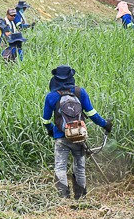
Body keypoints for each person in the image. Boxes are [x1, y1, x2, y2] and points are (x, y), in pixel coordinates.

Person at [42, 65, 112, 199]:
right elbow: (92, 114)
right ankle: (81, 197)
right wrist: (105, 125)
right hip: (79, 136)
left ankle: (64, 197)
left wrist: (51, 131)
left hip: (61, 138)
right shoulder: (80, 92)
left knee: (60, 167)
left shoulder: (51, 96)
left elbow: (45, 120)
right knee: (80, 167)